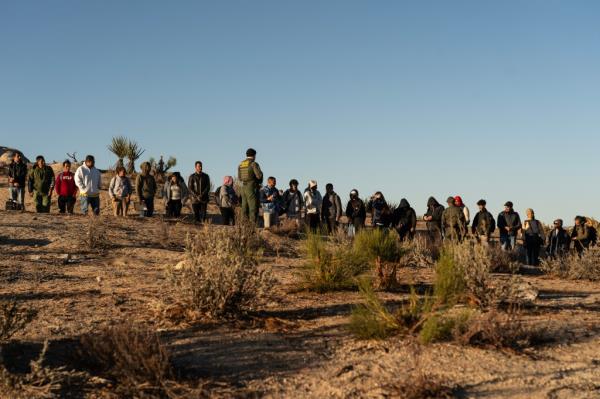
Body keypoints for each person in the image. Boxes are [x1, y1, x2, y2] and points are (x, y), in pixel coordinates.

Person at [238, 148, 263, 223]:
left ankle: (244, 224)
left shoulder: (241, 164)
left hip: (243, 187)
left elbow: (239, 177)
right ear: (254, 155)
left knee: (244, 207)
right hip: (251, 187)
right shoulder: (253, 164)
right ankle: (252, 225)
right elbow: (259, 176)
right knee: (253, 206)